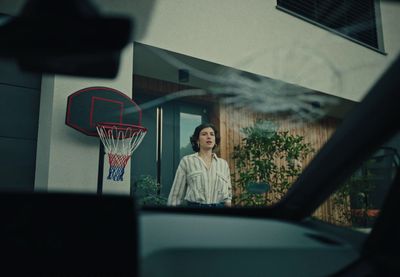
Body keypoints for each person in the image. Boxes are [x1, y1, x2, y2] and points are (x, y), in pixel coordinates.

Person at [167, 123, 232, 207]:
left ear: (215, 140)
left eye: (212, 134)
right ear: (197, 140)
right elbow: (176, 195)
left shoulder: (223, 164)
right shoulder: (187, 161)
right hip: (195, 213)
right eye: (204, 134)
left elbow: (228, 196)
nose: (209, 137)